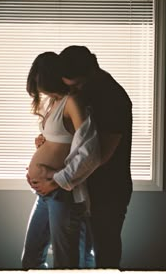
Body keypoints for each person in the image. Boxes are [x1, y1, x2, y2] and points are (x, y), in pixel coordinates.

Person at [34, 46, 133, 269]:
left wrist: (56, 177)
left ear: (92, 72)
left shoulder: (113, 99)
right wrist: (50, 144)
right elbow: (74, 138)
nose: (73, 91)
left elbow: (99, 155)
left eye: (76, 85)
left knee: (105, 255)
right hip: (83, 187)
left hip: (108, 191)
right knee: (82, 255)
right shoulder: (86, 90)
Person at [22, 52, 101, 269]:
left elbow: (90, 151)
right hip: (44, 194)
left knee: (65, 263)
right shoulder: (54, 102)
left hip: (61, 193)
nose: (38, 86)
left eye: (39, 80)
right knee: (31, 259)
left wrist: (56, 180)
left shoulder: (72, 102)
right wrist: (44, 142)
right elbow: (64, 140)